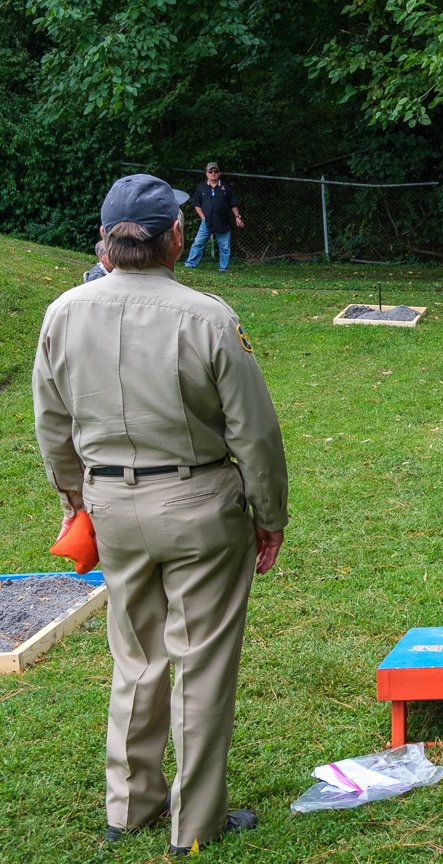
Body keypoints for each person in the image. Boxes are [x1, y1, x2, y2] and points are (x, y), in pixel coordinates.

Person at [32, 173, 288, 856]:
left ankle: (129, 806)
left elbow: (52, 428)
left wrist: (75, 503)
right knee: (200, 663)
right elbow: (254, 434)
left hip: (110, 505)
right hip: (200, 504)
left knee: (136, 656)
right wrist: (270, 514)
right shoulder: (206, 315)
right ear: (175, 235)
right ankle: (195, 824)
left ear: (110, 238)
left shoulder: (62, 312)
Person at [184, 161, 244, 273]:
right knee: (198, 243)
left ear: (219, 173)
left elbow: (233, 204)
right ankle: (190, 264)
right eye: (210, 171)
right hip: (206, 222)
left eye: (215, 171)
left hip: (223, 222)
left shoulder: (225, 187)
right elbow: (197, 205)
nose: (213, 173)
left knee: (225, 247)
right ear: (206, 173)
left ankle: (223, 268)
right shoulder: (201, 187)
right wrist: (203, 217)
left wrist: (237, 216)